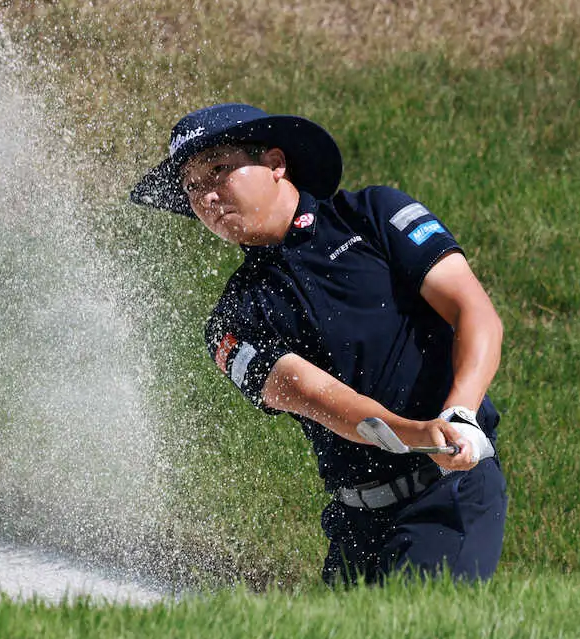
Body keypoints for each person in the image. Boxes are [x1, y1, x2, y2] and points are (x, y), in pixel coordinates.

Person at [130, 103, 508, 585]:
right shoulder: (231, 320)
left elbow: (473, 311)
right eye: (191, 186)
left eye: (218, 170)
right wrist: (416, 434)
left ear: (275, 164)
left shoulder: (373, 215)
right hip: (354, 521)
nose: (205, 196)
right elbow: (315, 397)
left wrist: (458, 416)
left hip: (449, 492)